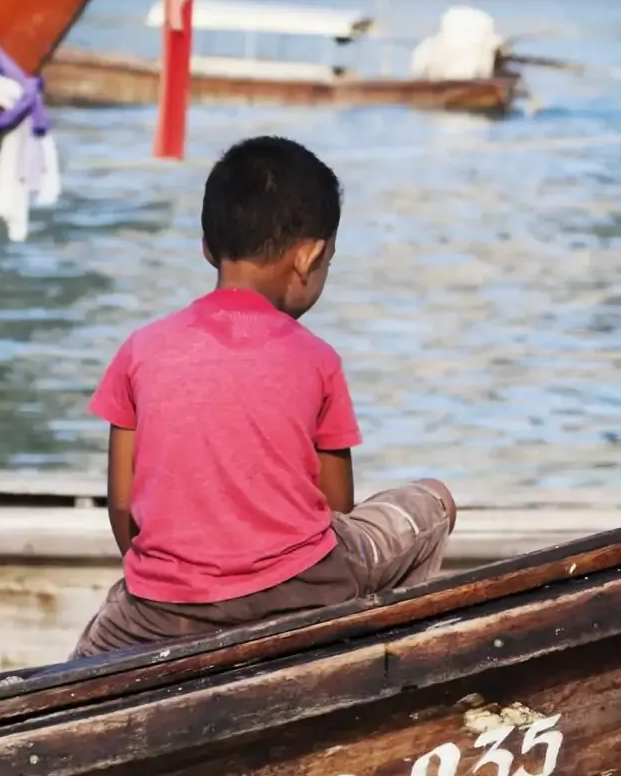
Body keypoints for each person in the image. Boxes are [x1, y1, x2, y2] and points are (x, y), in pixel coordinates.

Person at [72, 135, 457, 658]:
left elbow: (123, 509)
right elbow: (336, 511)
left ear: (208, 247)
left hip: (158, 613)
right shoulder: (318, 359)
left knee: (79, 670)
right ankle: (362, 650)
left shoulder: (139, 350)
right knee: (432, 502)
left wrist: (179, 588)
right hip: (304, 593)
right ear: (311, 257)